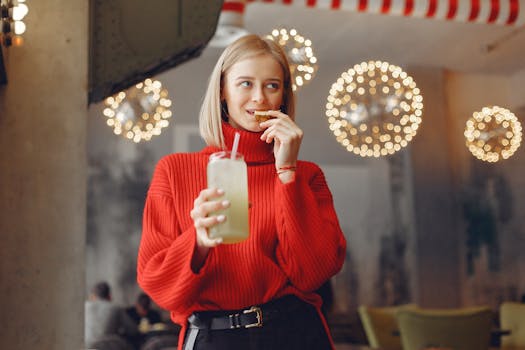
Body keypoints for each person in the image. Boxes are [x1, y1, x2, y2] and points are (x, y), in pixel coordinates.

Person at [137, 34, 347, 350]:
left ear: (283, 96)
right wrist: (199, 242)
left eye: (272, 86)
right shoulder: (174, 171)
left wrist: (287, 173)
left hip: (296, 333)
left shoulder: (307, 175)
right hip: (214, 337)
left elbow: (312, 274)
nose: (260, 98)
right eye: (245, 83)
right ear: (222, 90)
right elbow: (159, 286)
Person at [84, 281, 138, 349]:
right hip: (107, 347)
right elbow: (133, 330)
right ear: (109, 296)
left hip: (86, 346)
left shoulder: (85, 306)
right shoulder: (115, 308)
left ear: (93, 296)